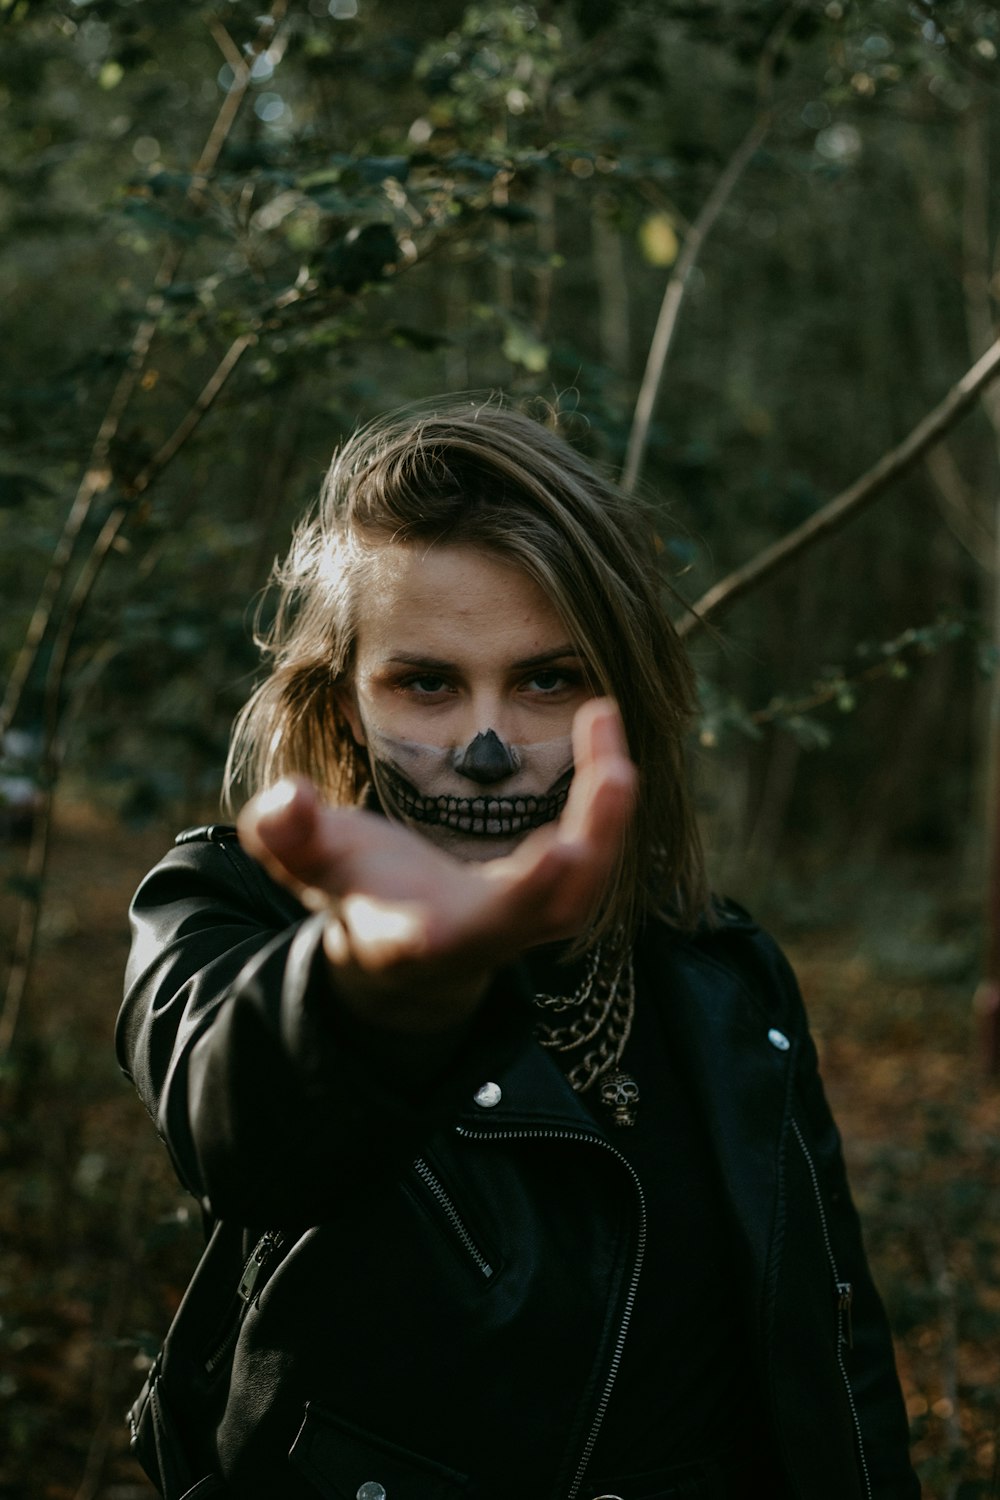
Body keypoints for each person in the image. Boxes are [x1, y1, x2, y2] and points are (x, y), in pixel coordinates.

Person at [117, 397, 919, 1500]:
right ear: (346, 703)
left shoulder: (729, 981)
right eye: (427, 683)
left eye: (547, 679)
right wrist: (373, 992)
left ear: (621, 700)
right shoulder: (226, 908)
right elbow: (243, 1131)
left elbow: (834, 1357)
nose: (486, 751)